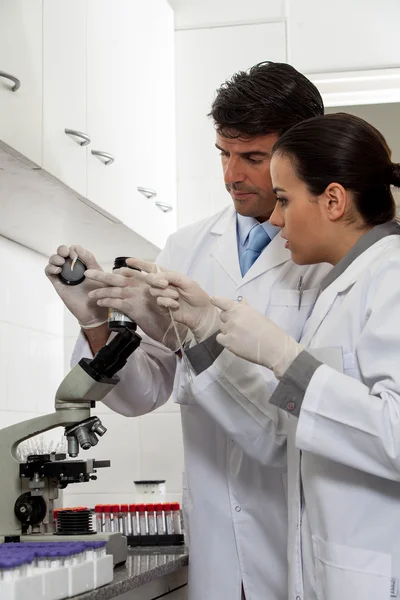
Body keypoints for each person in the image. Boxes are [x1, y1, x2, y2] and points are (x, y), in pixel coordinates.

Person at [45, 62, 330, 600]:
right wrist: (95, 321)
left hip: (300, 530)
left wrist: (194, 333)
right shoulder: (187, 247)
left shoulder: (329, 257)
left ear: (299, 155)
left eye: (252, 157)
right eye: (223, 154)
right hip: (216, 533)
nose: (231, 175)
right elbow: (144, 393)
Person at [148, 112, 400, 600]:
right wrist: (201, 332)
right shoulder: (341, 287)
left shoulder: (391, 277)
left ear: (332, 200)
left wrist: (286, 358)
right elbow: (284, 437)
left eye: (284, 199)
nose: (276, 217)